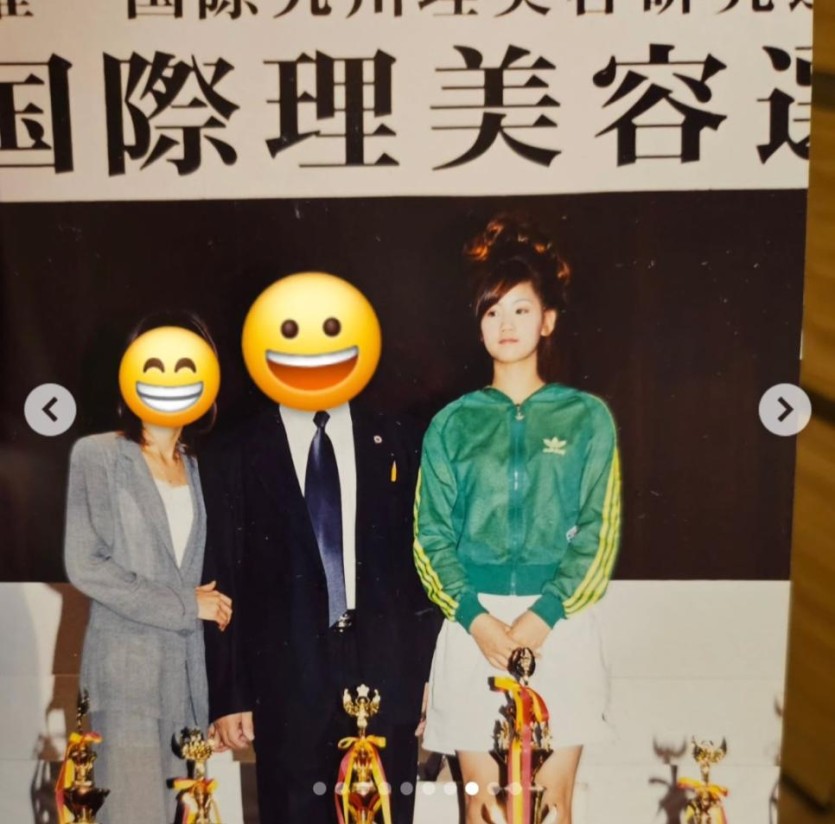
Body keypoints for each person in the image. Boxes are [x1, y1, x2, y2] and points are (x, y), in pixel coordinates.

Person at [201, 275, 439, 824]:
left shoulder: (402, 439)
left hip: (390, 671)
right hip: (286, 678)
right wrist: (230, 695)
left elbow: (424, 564)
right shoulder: (233, 454)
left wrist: (430, 673)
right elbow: (223, 575)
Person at [413, 215, 622, 824]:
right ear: (478, 324)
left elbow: (599, 534)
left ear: (547, 320)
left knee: (550, 810)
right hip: (471, 629)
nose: (505, 324)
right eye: (492, 311)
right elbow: (430, 537)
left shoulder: (586, 417)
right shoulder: (452, 422)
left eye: (521, 310)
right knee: (483, 811)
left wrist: (543, 615)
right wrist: (477, 621)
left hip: (560, 627)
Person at [63, 313, 231, 824]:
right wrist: (187, 604)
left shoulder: (196, 467)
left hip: (185, 686)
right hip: (126, 679)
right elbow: (86, 564)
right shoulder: (98, 455)